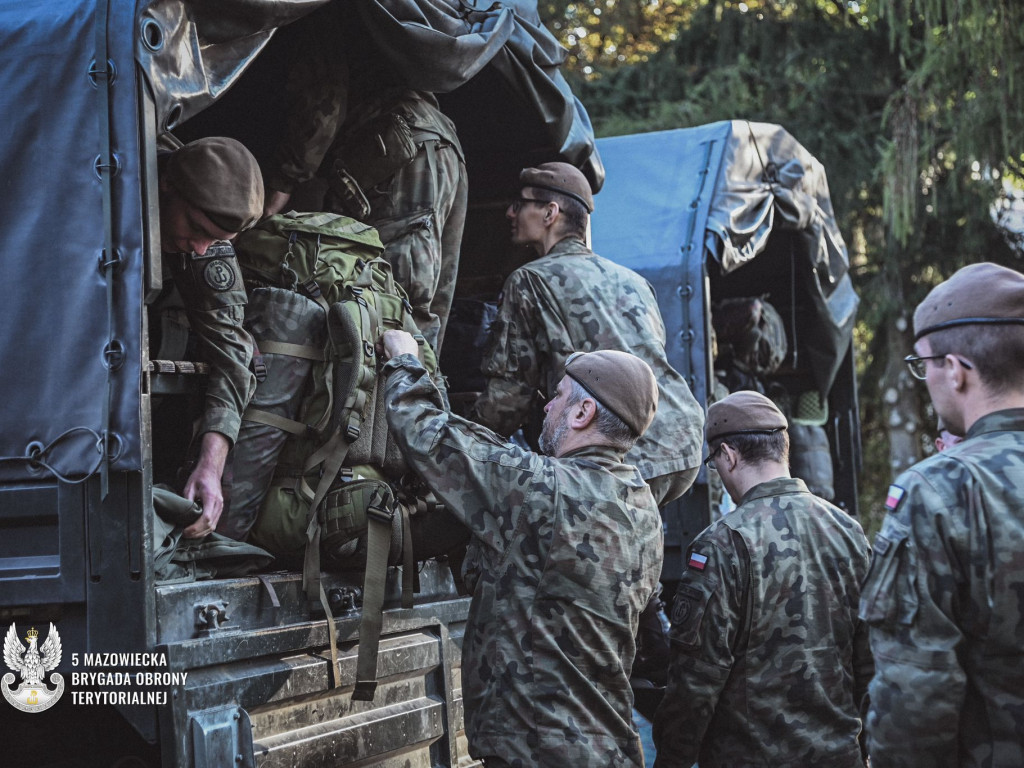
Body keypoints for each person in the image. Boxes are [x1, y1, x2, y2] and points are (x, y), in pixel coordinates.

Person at [381, 333, 663, 768]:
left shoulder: (543, 488)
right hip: (609, 749)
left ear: (583, 413)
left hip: (539, 752)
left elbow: (428, 434)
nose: (547, 408)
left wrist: (403, 360)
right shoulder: (644, 509)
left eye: (558, 397)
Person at [859, 262, 1024, 766]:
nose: (925, 378)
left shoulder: (938, 489)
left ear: (955, 370)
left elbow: (916, 691)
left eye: (922, 364)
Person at [653, 390, 873, 768]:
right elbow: (872, 660)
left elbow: (696, 681)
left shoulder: (722, 543)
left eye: (714, 463)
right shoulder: (848, 531)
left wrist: (671, 760)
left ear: (728, 456)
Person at [471, 161, 704, 508]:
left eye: (520, 204)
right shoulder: (634, 280)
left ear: (550, 212)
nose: (509, 213)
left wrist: (459, 437)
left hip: (620, 447)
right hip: (681, 439)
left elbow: (509, 396)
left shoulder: (530, 280)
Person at [262, 4, 467, 353]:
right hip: (439, 145)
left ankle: (387, 404)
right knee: (424, 310)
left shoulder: (324, 14)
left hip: (394, 146)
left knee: (390, 304)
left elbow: (323, 109)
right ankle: (418, 401)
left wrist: (279, 188)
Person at [155, 136, 263, 538]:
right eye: (197, 228)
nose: (201, 248)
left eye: (217, 241)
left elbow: (233, 352)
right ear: (166, 185)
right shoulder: (101, 189)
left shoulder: (207, 242)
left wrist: (210, 466)